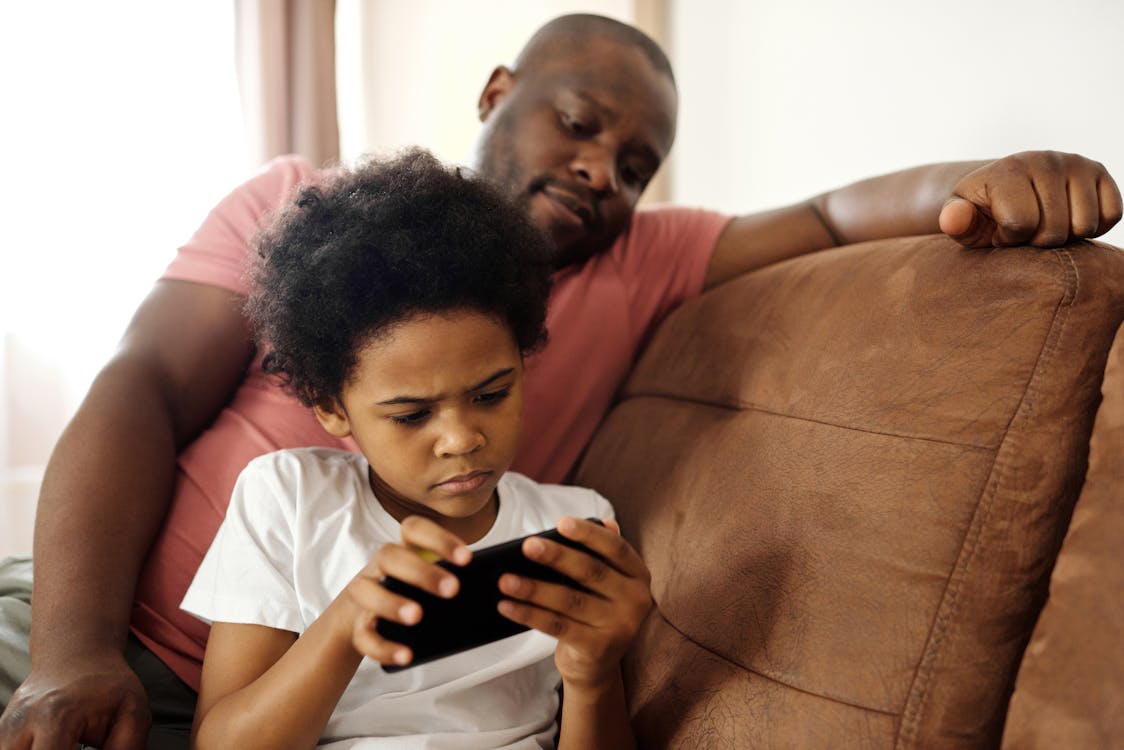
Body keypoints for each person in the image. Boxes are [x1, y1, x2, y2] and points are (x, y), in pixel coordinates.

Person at [0, 11, 1121, 750]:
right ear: (497, 91)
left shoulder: (635, 264)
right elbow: (137, 387)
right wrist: (72, 650)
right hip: (120, 626)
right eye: (579, 125)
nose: (601, 169)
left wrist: (979, 181)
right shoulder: (300, 211)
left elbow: (829, 217)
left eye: (636, 166)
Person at [182, 148, 650, 749]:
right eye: (411, 414)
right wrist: (347, 621)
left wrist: (593, 674)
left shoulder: (574, 525)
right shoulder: (290, 498)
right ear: (331, 406)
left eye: (492, 394)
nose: (461, 440)